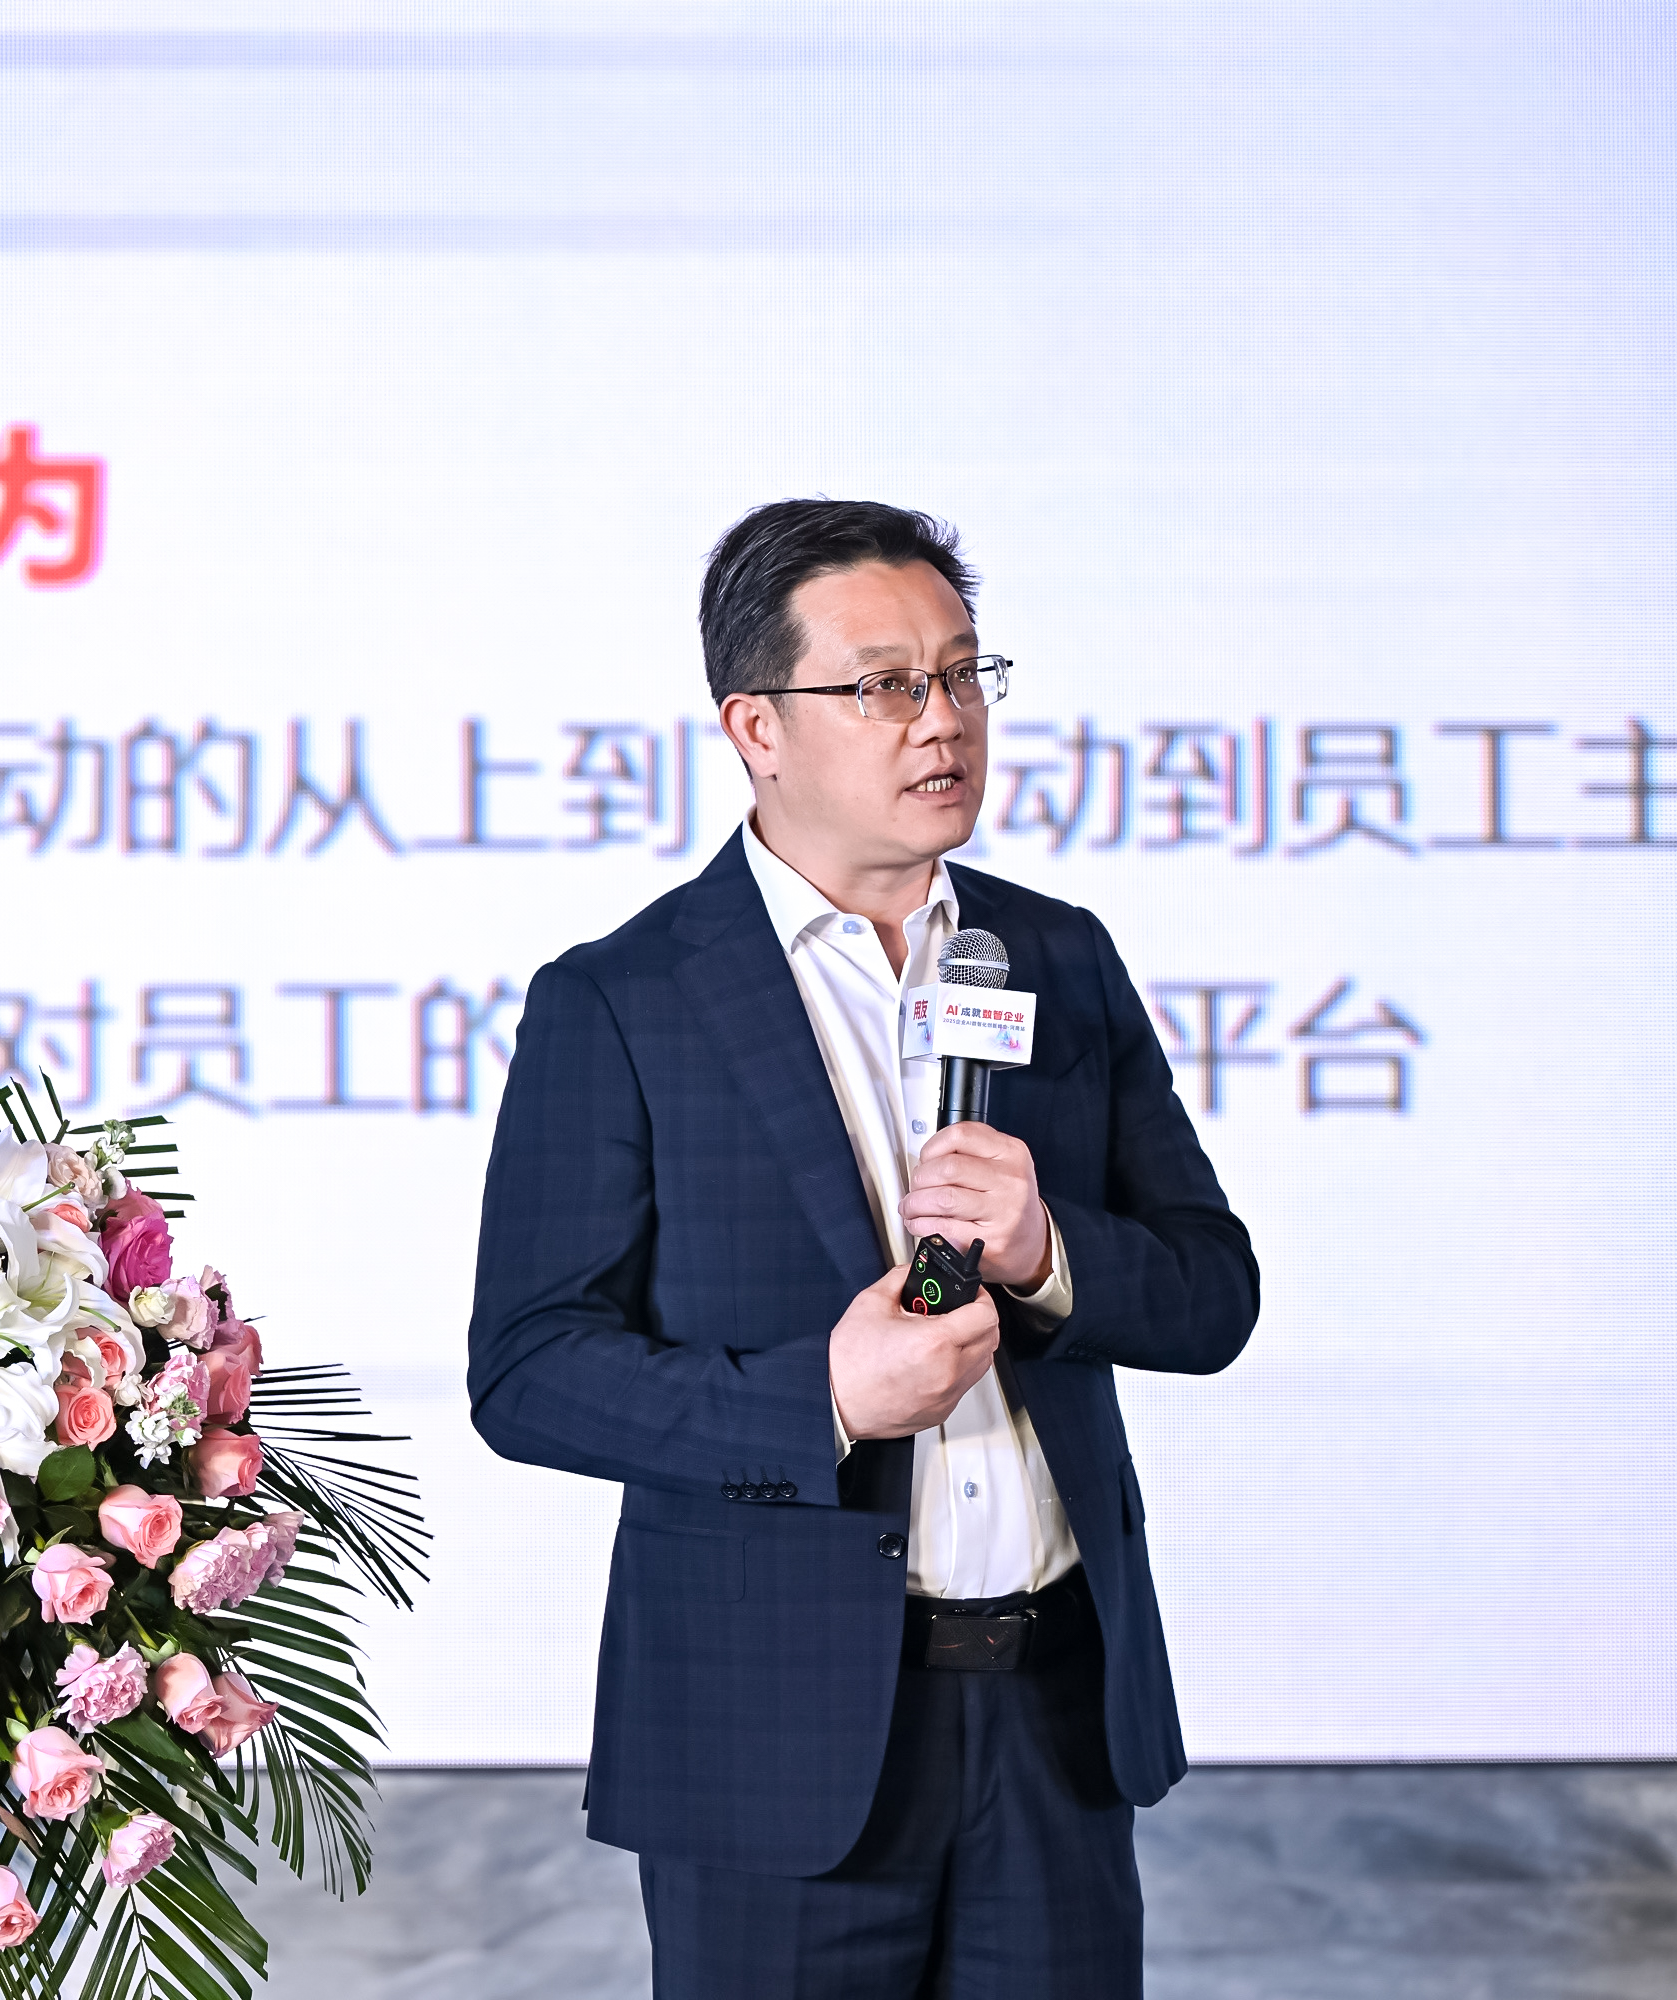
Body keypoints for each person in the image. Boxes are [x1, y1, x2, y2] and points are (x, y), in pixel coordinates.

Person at [466, 499, 1258, 1998]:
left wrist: (1048, 1253)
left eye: (962, 675)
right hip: (773, 1743)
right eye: (886, 685)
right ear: (756, 727)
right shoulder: (625, 1000)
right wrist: (822, 1398)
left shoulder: (1055, 955)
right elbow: (529, 1372)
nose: (942, 720)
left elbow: (1213, 1292)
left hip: (1055, 1718)